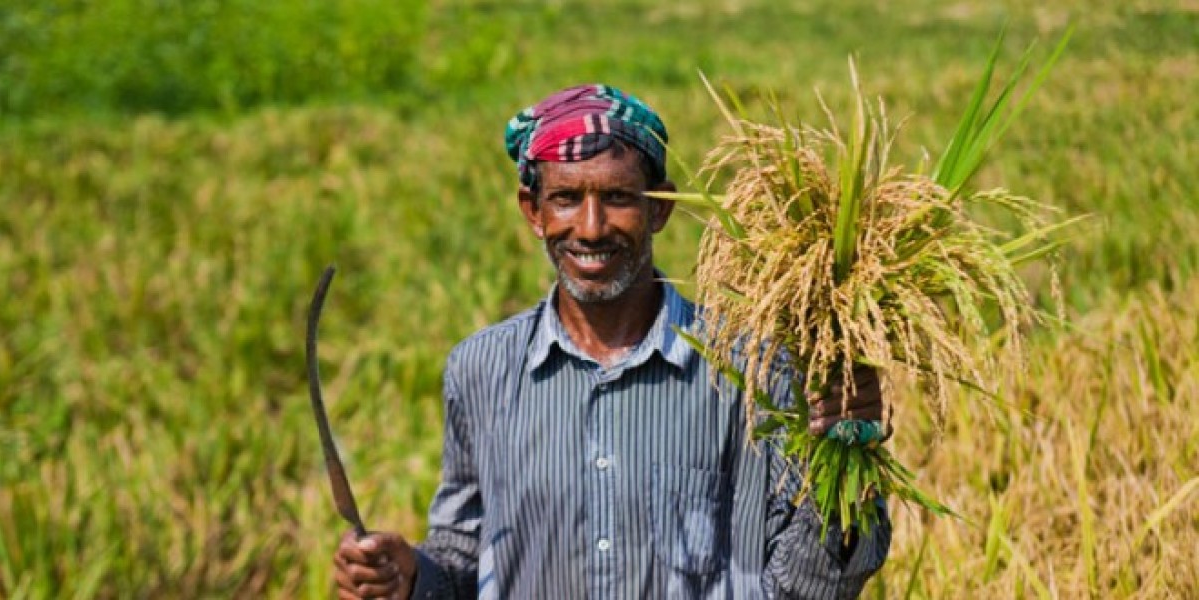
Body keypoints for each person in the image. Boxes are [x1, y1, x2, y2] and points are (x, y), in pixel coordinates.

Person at [333, 84, 891, 599]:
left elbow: (809, 583)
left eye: (619, 197)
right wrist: (411, 576)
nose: (592, 227)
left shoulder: (752, 369)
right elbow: (465, 556)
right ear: (534, 211)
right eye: (567, 199)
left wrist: (843, 458)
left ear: (660, 208)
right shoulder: (482, 369)